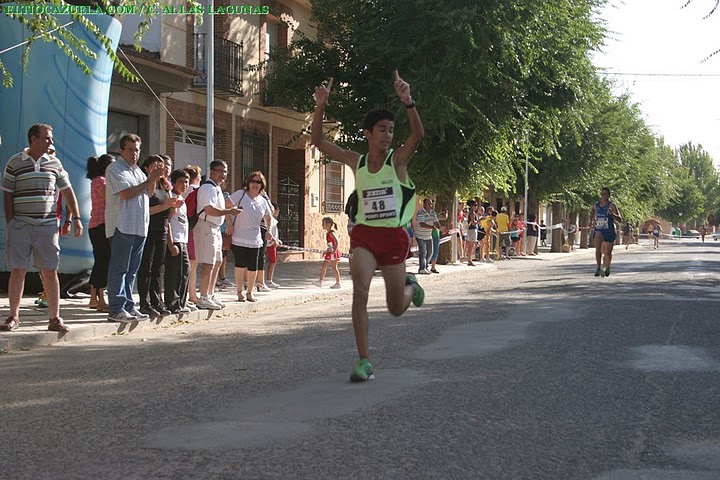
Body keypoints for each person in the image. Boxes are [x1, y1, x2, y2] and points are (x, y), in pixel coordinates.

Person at [311, 71, 425, 382]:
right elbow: (318, 141)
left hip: (393, 239)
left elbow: (417, 135)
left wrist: (408, 102)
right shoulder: (356, 161)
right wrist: (320, 106)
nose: (388, 135)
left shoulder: (397, 161)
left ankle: (411, 286)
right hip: (364, 237)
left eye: (391, 130)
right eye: (382, 130)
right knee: (359, 292)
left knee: (395, 308)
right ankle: (364, 361)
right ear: (368, 133)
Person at [1, 124, 83, 332]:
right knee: (18, 270)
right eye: (47, 138)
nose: (51, 142)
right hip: (21, 225)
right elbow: (7, 194)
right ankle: (13, 317)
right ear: (34, 139)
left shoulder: (55, 163)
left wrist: (75, 218)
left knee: (50, 271)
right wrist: (11, 222)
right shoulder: (14, 162)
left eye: (51, 138)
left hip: (47, 227)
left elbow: (68, 191)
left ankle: (54, 318)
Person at [105, 134, 164, 322]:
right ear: (121, 150)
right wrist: (149, 180)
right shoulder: (115, 168)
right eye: (130, 149)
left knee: (131, 271)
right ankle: (116, 309)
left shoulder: (137, 171)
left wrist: (153, 178)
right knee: (119, 269)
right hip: (122, 226)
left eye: (137, 150)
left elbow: (148, 193)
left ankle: (129, 306)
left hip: (139, 226)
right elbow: (125, 193)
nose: (134, 153)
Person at [137, 155, 181, 317]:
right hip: (148, 229)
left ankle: (157, 301)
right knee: (146, 267)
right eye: (155, 166)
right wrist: (164, 206)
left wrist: (173, 206)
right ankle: (145, 302)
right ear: (147, 168)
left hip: (162, 229)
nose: (159, 169)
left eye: (161, 166)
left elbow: (168, 212)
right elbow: (145, 210)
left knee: (157, 268)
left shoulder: (165, 185)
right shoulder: (147, 184)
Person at [195, 160, 242, 309]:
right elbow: (209, 210)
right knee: (208, 263)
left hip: (215, 228)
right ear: (212, 171)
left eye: (225, 171)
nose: (223, 174)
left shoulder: (217, 188)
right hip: (206, 226)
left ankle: (210, 294)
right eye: (219, 171)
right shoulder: (208, 188)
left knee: (217, 262)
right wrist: (230, 211)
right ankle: (203, 296)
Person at [227, 171, 274, 302]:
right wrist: (229, 223)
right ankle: (239, 291)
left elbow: (268, 217)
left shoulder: (262, 201)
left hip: (255, 239)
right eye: (252, 181)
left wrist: (269, 231)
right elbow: (226, 206)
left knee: (253, 266)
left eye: (258, 182)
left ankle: (250, 292)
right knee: (240, 264)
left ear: (262, 185)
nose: (255, 184)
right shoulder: (240, 194)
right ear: (248, 183)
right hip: (238, 236)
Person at [87, 154, 114, 313]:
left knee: (101, 260)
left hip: (101, 225)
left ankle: (94, 297)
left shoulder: (99, 180)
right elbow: (109, 196)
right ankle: (100, 298)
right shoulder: (100, 181)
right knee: (103, 261)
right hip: (100, 225)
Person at [164, 169, 192, 314]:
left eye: (186, 182)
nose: (184, 185)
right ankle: (172, 303)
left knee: (185, 271)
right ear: (173, 183)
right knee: (174, 273)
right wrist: (170, 244)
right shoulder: (171, 199)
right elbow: (168, 221)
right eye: (180, 182)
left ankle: (181, 302)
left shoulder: (182, 200)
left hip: (183, 240)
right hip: (175, 240)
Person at [590, 187, 622, 277]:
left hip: (609, 230)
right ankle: (598, 267)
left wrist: (612, 214)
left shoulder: (612, 205)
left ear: (608, 195)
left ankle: (607, 267)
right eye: (602, 194)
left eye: (605, 194)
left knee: (608, 252)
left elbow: (620, 219)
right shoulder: (596, 205)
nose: (603, 196)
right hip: (599, 229)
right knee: (598, 247)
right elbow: (592, 212)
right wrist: (592, 221)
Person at [182, 165, 202, 306]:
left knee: (190, 262)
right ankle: (192, 294)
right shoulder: (195, 190)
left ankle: (191, 294)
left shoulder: (183, 191)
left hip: (186, 226)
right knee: (192, 262)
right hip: (192, 227)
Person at [313, 217, 342, 288]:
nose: (322, 225)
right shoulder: (328, 233)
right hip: (330, 252)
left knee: (334, 267)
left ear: (328, 224)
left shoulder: (331, 233)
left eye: (323, 223)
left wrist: (334, 251)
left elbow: (337, 242)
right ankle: (320, 281)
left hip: (333, 253)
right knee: (324, 266)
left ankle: (337, 283)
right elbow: (330, 244)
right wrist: (326, 251)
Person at [415, 198, 438, 274]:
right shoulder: (420, 212)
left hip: (428, 236)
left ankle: (426, 266)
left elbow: (436, 222)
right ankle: (421, 268)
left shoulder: (433, 213)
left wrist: (440, 228)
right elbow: (422, 224)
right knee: (423, 252)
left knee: (430, 252)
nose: (430, 205)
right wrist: (432, 227)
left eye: (431, 204)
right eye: (428, 204)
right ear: (424, 204)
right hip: (420, 236)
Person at [265, 201, 282, 288]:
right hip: (269, 244)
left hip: (273, 244)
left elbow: (275, 233)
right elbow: (269, 233)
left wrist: (278, 240)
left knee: (273, 261)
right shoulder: (270, 220)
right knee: (272, 261)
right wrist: (273, 241)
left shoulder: (274, 221)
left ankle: (269, 280)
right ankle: (268, 280)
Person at [464, 200, 480, 266]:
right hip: (472, 230)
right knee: (471, 246)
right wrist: (479, 220)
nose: (476, 207)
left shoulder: (470, 213)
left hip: (471, 230)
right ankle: (469, 260)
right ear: (471, 206)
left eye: (476, 205)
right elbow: (473, 222)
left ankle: (469, 259)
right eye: (475, 205)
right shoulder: (472, 213)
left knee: (470, 246)